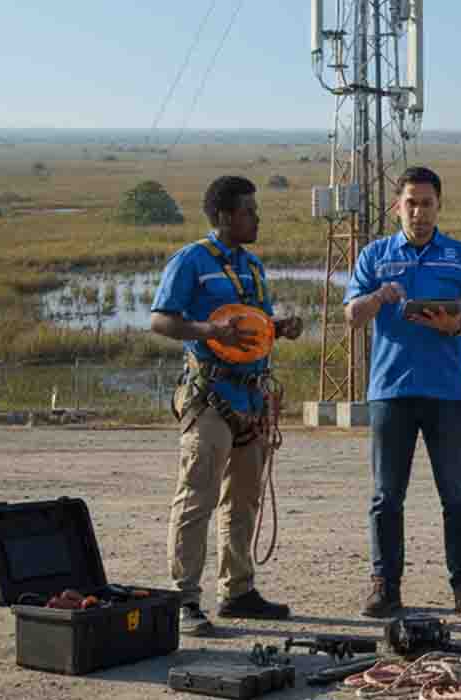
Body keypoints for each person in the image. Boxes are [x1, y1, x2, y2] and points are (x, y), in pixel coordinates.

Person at [150, 175, 304, 636]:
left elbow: (251, 326)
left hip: (251, 397)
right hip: (210, 398)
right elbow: (161, 320)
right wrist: (210, 333)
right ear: (224, 216)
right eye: (249, 211)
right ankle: (185, 600)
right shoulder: (192, 261)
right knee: (197, 498)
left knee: (243, 500)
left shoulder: (253, 266)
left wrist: (279, 328)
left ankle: (237, 591)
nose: (257, 218)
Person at [344, 166, 461, 620]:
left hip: (447, 394)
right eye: (411, 203)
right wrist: (378, 299)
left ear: (439, 206)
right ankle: (384, 587)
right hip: (391, 392)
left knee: (457, 494)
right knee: (386, 495)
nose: (419, 212)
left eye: (427, 203)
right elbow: (352, 315)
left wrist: (454, 327)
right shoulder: (375, 256)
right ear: (397, 206)